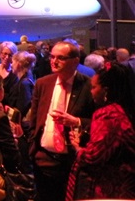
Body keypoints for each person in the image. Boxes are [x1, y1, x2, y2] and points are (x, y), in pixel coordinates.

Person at [28, 40, 95, 201]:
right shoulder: (43, 83)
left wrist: (77, 121)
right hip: (43, 160)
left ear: (75, 61)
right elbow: (34, 119)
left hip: (71, 162)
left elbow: (98, 122)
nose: (54, 61)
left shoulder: (88, 86)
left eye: (60, 58)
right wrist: (33, 147)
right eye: (52, 57)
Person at [66, 63, 135, 200]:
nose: (91, 92)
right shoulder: (125, 110)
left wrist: (77, 147)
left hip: (109, 188)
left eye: (93, 87)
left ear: (106, 90)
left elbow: (93, 156)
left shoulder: (108, 114)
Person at [0, 41, 19, 105]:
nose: (7, 57)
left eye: (10, 55)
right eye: (5, 54)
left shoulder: (14, 74)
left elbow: (12, 97)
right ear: (0, 54)